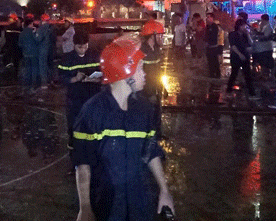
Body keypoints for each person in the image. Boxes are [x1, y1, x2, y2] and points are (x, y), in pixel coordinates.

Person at [73, 34, 175, 221]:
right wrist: (85, 208)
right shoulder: (93, 111)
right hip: (107, 204)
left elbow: (151, 152)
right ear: (125, 72)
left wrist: (164, 191)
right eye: (140, 68)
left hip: (141, 202)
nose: (144, 74)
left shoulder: (144, 109)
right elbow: (83, 163)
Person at [57, 30, 101, 166]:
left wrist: (97, 79)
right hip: (75, 100)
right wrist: (74, 79)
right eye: (79, 47)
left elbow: (103, 73)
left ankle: (93, 156)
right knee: (74, 128)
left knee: (92, 127)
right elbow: (60, 78)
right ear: (74, 45)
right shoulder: (67, 59)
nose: (83, 49)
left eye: (85, 46)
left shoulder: (94, 55)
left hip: (92, 97)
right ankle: (74, 159)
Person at [226, 18, 255, 97]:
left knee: (247, 74)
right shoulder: (232, 34)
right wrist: (239, 54)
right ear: (239, 26)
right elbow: (233, 46)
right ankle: (229, 90)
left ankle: (251, 92)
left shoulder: (245, 35)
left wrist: (248, 35)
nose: (244, 28)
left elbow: (251, 43)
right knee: (234, 73)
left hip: (245, 55)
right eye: (243, 26)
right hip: (236, 56)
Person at [18, 18, 39, 93]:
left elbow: (20, 44)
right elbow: (37, 40)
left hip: (26, 53)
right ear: (30, 24)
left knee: (27, 70)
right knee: (34, 70)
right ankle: (32, 87)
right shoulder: (33, 32)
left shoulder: (22, 33)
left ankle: (26, 86)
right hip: (33, 53)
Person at [253, 14, 274, 79]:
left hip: (266, 48)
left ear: (264, 20)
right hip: (263, 48)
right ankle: (264, 75)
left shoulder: (268, 27)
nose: (261, 22)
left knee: (266, 62)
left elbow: (265, 37)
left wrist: (257, 33)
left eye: (262, 20)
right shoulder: (265, 27)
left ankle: (266, 75)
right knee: (263, 62)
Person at [35, 13, 52, 89]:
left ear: (42, 20)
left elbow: (38, 39)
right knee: (47, 65)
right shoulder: (50, 28)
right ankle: (49, 81)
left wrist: (35, 34)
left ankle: (43, 83)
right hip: (49, 49)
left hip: (42, 50)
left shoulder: (41, 28)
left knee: (42, 66)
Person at [205, 13, 221, 79]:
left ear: (212, 18)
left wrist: (209, 42)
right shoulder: (207, 26)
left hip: (213, 46)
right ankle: (211, 73)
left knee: (215, 61)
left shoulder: (214, 26)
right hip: (208, 46)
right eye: (207, 17)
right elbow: (206, 35)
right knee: (210, 61)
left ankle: (217, 74)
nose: (207, 18)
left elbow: (214, 36)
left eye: (209, 17)